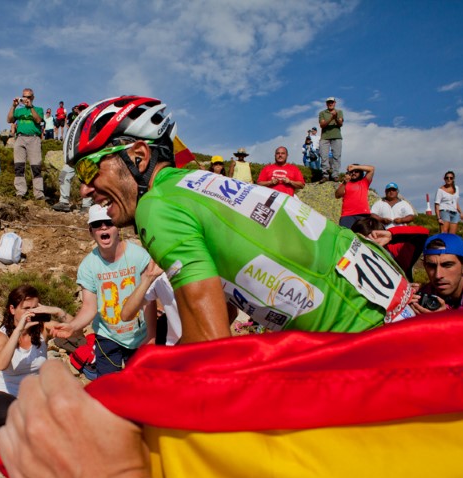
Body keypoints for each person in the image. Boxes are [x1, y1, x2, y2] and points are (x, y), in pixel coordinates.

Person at [65, 96, 414, 340]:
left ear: (139, 156)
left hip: (363, 332)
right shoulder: (194, 185)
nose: (84, 189)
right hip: (390, 308)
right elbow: (223, 310)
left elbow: (210, 344)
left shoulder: (155, 206)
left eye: (88, 168)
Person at [52, 205, 154, 377]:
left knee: (141, 386)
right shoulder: (88, 266)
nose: (104, 227)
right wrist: (73, 326)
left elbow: (149, 299)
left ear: (118, 227)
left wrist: (151, 335)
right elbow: (89, 307)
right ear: (91, 231)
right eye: (98, 224)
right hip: (107, 335)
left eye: (108, 222)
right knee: (108, 386)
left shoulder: (139, 256)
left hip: (139, 334)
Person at [0, 284, 72, 429]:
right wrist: (18, 331)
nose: (31, 312)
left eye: (35, 308)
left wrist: (58, 311)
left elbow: (77, 331)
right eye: (26, 308)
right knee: (11, 413)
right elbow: (1, 364)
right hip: (5, 393)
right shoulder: (2, 335)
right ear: (12, 309)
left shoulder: (43, 329)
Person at [121, 260, 181, 345]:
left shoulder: (199, 266)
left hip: (200, 345)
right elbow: (126, 315)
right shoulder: (159, 276)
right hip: (177, 348)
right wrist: (149, 278)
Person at [412, 234, 463, 313]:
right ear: (425, 266)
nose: (438, 275)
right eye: (431, 266)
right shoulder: (422, 295)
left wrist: (443, 320)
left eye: (447, 265)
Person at [52, 102, 91, 212]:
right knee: (64, 176)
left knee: (87, 180)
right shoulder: (74, 124)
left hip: (86, 156)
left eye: (84, 108)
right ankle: (64, 202)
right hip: (73, 155)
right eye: (80, 109)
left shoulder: (91, 123)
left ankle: (87, 205)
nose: (81, 110)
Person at [7, 88, 44, 199]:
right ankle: (20, 192)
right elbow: (9, 120)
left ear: (32, 98)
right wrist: (13, 106)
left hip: (34, 139)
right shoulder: (19, 110)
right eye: (24, 96)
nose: (26, 99)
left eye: (28, 97)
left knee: (36, 166)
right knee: (19, 166)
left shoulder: (38, 109)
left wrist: (31, 107)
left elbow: (38, 120)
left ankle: (39, 193)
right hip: (20, 138)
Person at [335, 163, 374, 229]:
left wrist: (355, 167)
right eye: (351, 172)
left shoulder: (364, 182)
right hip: (347, 215)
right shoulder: (345, 183)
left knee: (363, 236)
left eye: (356, 171)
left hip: (363, 214)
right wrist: (344, 183)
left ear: (360, 173)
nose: (354, 173)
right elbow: (337, 195)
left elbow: (371, 169)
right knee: (347, 236)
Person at [318, 97, 344, 183]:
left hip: (336, 136)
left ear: (335, 103)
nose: (330, 104)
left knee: (336, 156)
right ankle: (325, 175)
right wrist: (331, 118)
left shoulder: (339, 112)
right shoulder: (322, 113)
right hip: (324, 137)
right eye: (329, 102)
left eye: (332, 102)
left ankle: (335, 175)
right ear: (326, 103)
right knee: (324, 156)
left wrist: (335, 117)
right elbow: (322, 125)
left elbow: (340, 124)